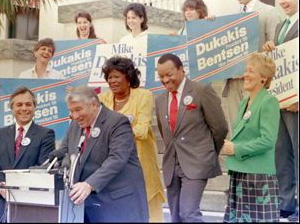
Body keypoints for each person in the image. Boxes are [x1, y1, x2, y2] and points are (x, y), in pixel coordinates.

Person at [56, 85, 149, 222]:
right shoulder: (75, 125)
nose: (75, 116)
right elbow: (64, 152)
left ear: (94, 104)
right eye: (71, 111)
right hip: (85, 208)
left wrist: (89, 184)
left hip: (117, 206)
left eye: (78, 110)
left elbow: (117, 159)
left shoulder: (118, 122)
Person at [155, 53, 228, 222]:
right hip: (172, 166)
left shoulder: (202, 91)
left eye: (169, 74)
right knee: (175, 217)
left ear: (181, 70)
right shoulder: (160, 100)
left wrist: (205, 153)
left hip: (196, 163)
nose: (165, 80)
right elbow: (166, 134)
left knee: (188, 213)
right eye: (161, 76)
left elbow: (220, 128)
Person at [98, 56, 165, 222]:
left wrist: (113, 134)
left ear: (128, 78)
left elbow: (142, 130)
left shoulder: (143, 95)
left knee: (148, 214)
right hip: (114, 168)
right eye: (109, 77)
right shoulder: (101, 99)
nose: (112, 81)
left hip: (141, 166)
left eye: (116, 76)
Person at [223, 53, 280, 222]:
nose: (245, 75)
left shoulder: (269, 102)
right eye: (246, 70)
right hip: (240, 173)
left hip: (258, 176)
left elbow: (268, 140)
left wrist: (236, 149)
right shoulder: (243, 103)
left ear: (264, 77)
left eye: (251, 71)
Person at [0, 86, 55, 222]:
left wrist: (16, 187)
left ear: (34, 106)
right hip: (2, 203)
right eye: (19, 104)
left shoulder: (46, 134)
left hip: (30, 205)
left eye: (28, 104)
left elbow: (42, 168)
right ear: (11, 108)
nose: (24, 108)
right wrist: (2, 187)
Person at [221, 0, 282, 137]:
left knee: (255, 130)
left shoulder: (269, 11)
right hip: (233, 81)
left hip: (256, 81)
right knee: (235, 129)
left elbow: (277, 49)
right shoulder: (231, 16)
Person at [263, 0, 298, 221]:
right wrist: (269, 49)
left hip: (297, 102)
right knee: (281, 153)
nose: (282, 1)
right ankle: (286, 202)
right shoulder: (279, 27)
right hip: (280, 100)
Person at [0, 38, 65, 93]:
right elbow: (15, 96)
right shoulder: (24, 75)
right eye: (43, 49)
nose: (46, 52)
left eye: (50, 51)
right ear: (35, 52)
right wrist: (0, 91)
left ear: (51, 56)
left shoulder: (58, 77)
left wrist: (68, 93)